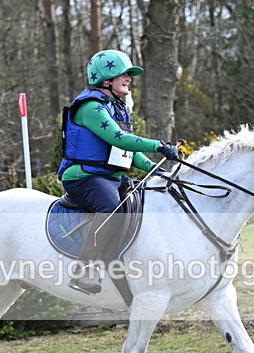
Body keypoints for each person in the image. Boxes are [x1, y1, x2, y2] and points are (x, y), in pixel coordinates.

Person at [58, 49, 180, 295]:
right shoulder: (91, 107)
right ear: (106, 80)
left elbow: (128, 153)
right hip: (84, 177)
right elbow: (120, 139)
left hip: (112, 177)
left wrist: (159, 171)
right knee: (112, 209)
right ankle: (84, 271)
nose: (129, 79)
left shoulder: (117, 107)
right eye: (124, 74)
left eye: (129, 75)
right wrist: (158, 145)